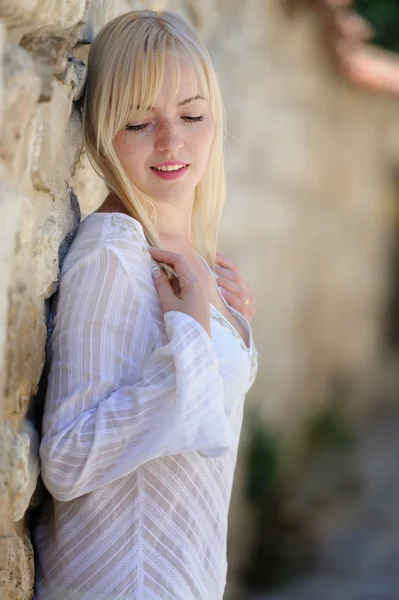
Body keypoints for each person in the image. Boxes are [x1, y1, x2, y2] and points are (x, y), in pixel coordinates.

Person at [32, 9, 258, 600]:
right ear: (103, 129)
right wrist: (191, 339)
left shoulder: (188, 259)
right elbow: (67, 459)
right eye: (139, 122)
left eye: (192, 115)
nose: (172, 141)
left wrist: (228, 331)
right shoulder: (113, 254)